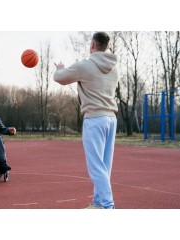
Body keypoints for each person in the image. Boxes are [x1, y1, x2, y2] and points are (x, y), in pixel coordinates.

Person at [53, 32, 118, 209]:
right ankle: (99, 202)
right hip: (111, 119)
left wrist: (59, 68)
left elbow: (60, 78)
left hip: (95, 118)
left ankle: (106, 205)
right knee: (104, 165)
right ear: (108, 46)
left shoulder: (85, 66)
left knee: (96, 165)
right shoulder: (114, 68)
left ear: (92, 45)